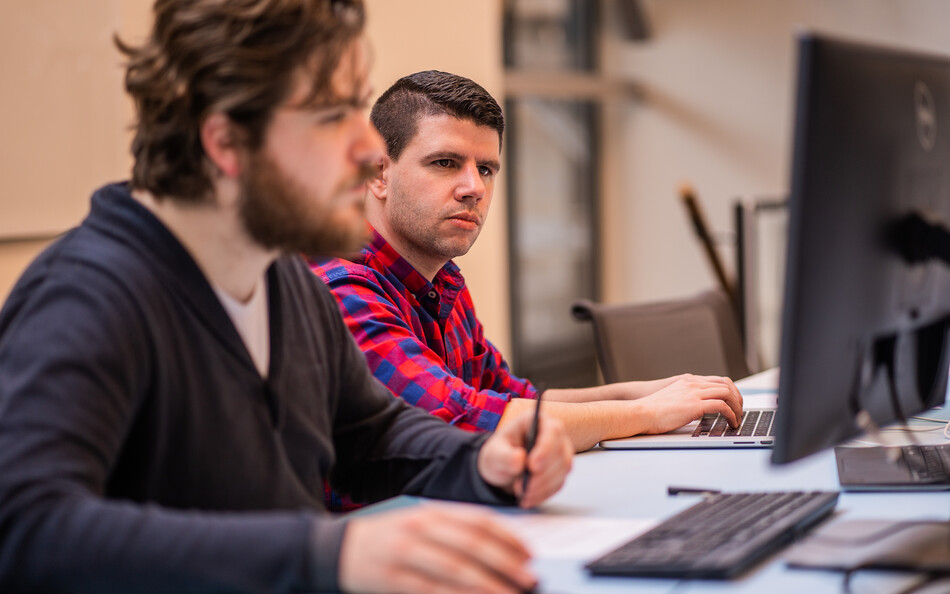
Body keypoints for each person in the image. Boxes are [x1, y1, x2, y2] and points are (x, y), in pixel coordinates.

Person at [0, 4, 574, 593]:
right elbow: (26, 528)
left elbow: (372, 432)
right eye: (332, 116)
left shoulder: (287, 285)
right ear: (227, 141)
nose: (365, 146)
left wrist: (478, 461)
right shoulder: (86, 297)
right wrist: (327, 553)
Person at [312, 70, 744, 453]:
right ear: (377, 174)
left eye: (486, 169)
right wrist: (647, 414)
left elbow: (511, 396)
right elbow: (464, 421)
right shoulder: (341, 289)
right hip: (378, 532)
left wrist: (642, 394)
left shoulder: (439, 281)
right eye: (445, 163)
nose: (473, 188)